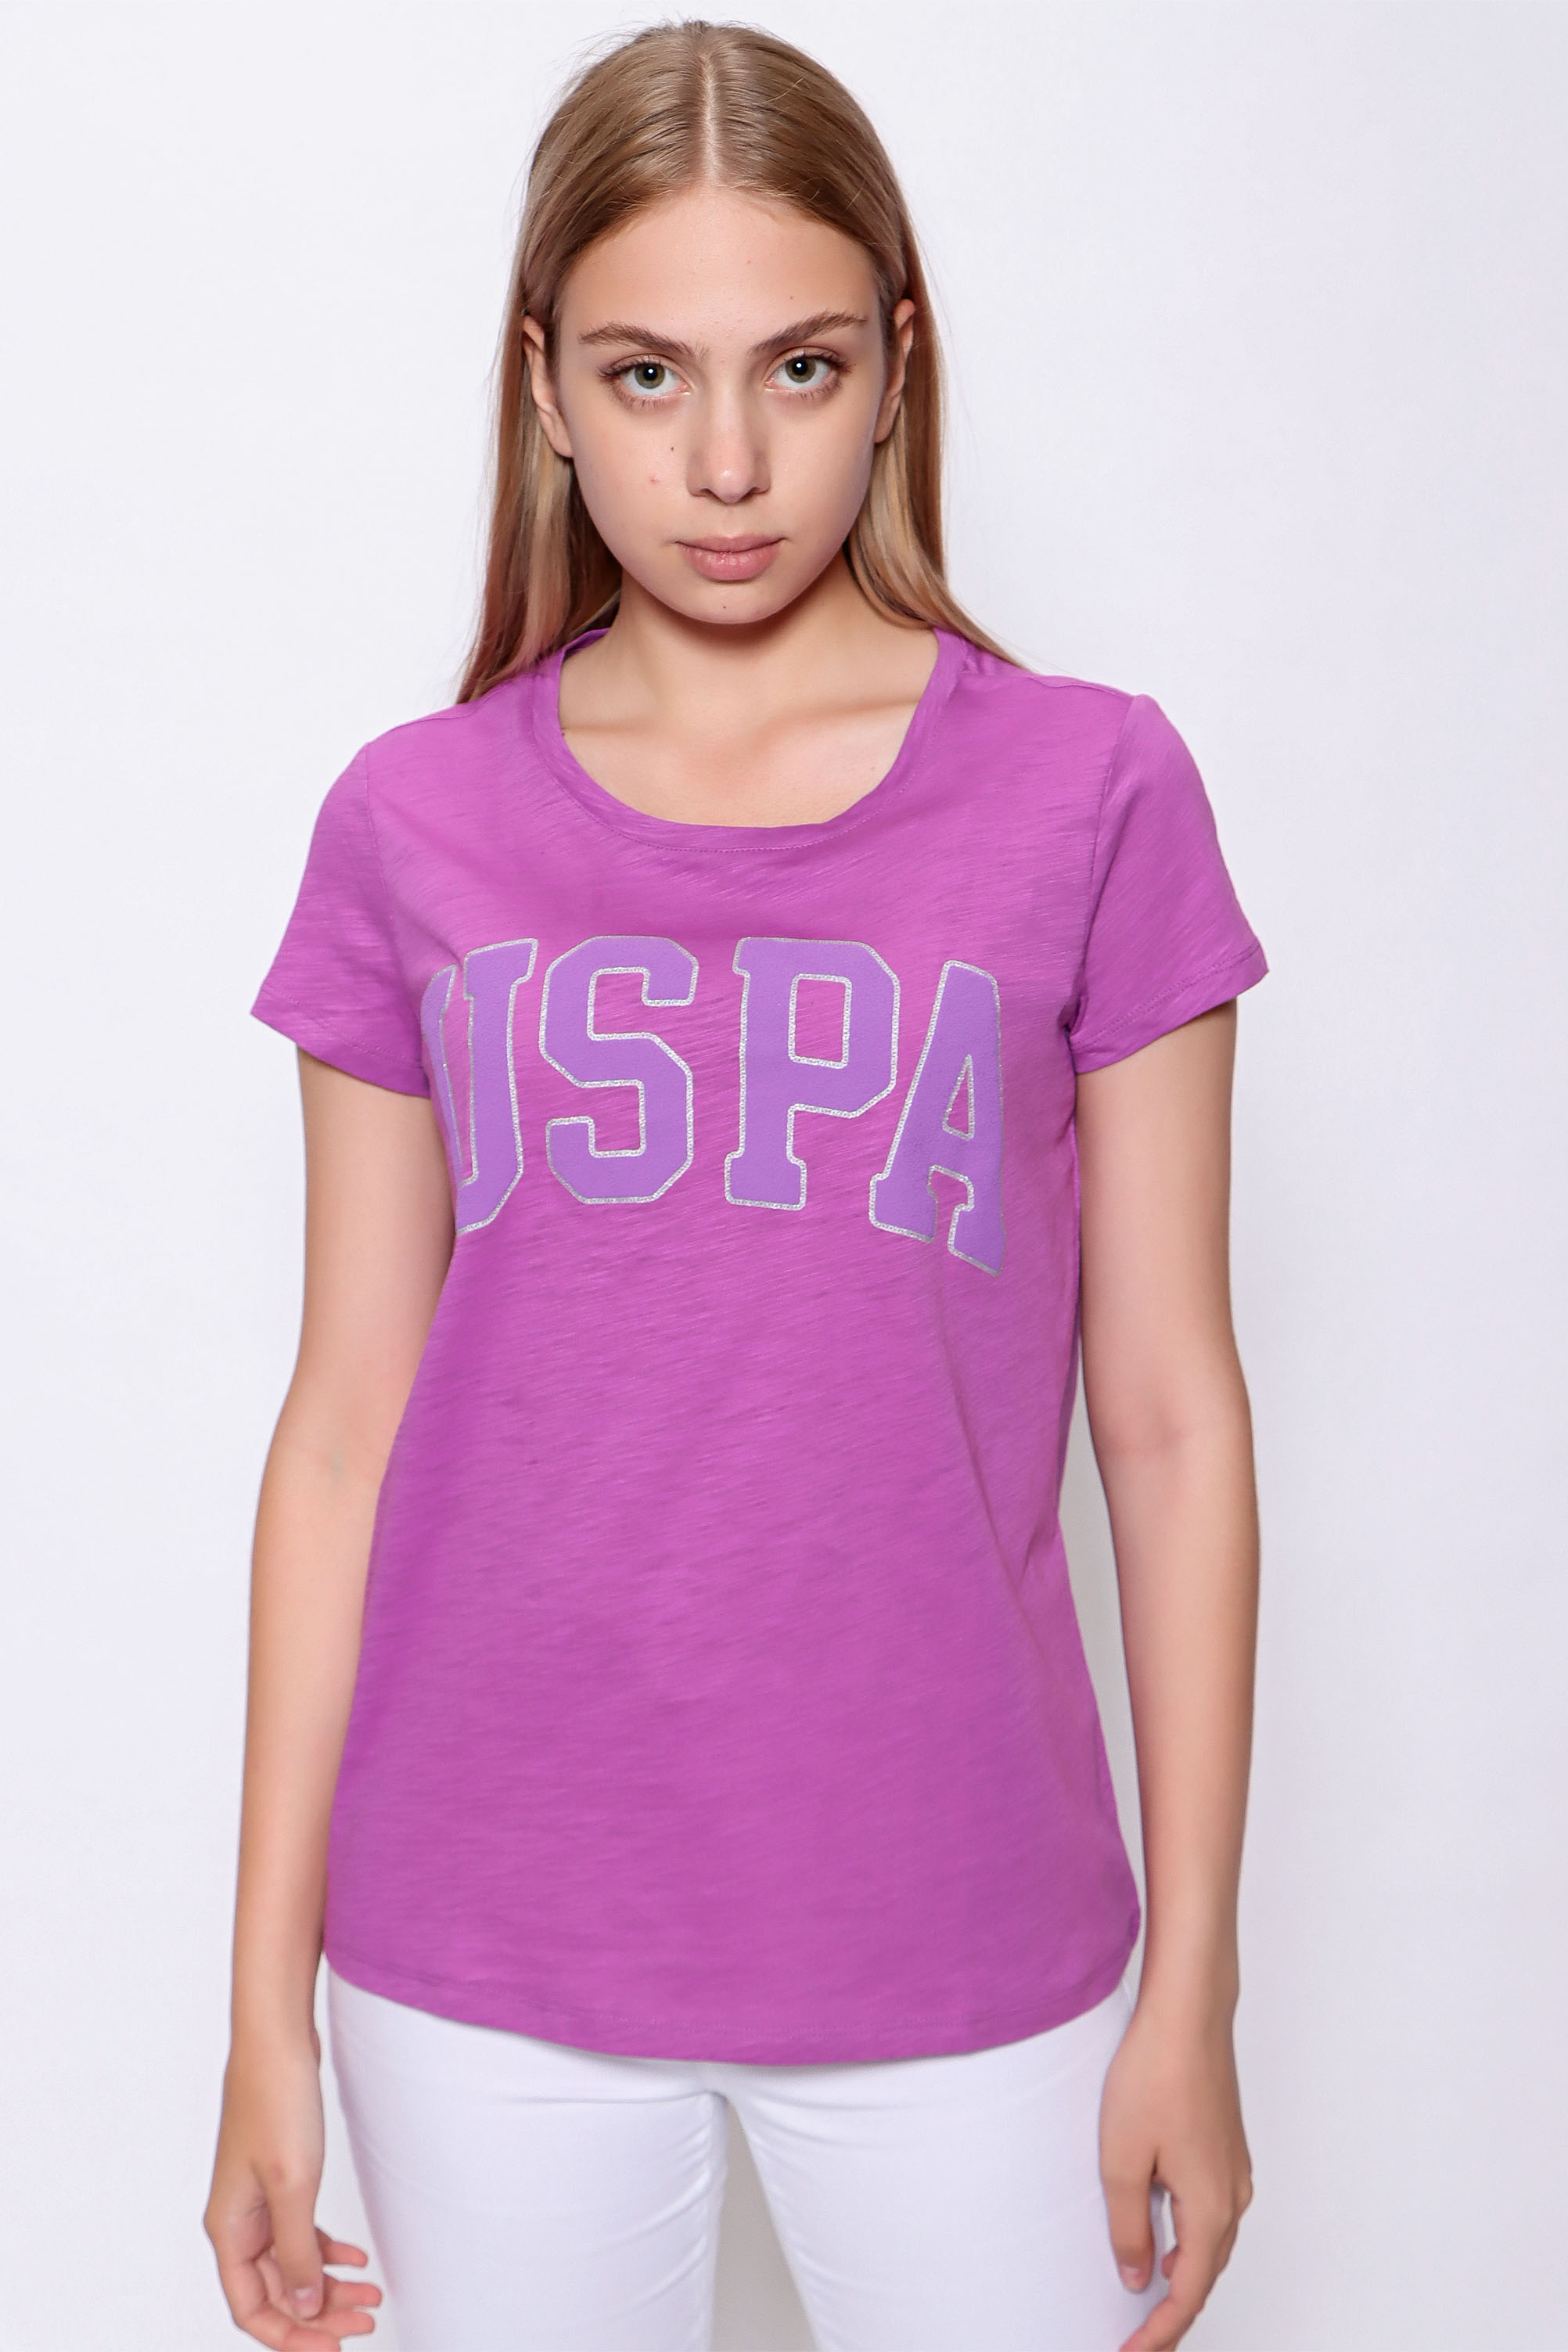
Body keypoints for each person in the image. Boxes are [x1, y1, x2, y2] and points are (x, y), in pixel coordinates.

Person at [203, 20, 1264, 2352]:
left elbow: (1173, 1417)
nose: (723, 462)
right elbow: (344, 1431)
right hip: (481, 1947)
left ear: (895, 365)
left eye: (797, 365)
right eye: (644, 374)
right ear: (544, 390)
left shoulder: (1093, 793)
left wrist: (1192, 1982)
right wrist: (262, 2004)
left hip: (964, 1927)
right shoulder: (411, 822)